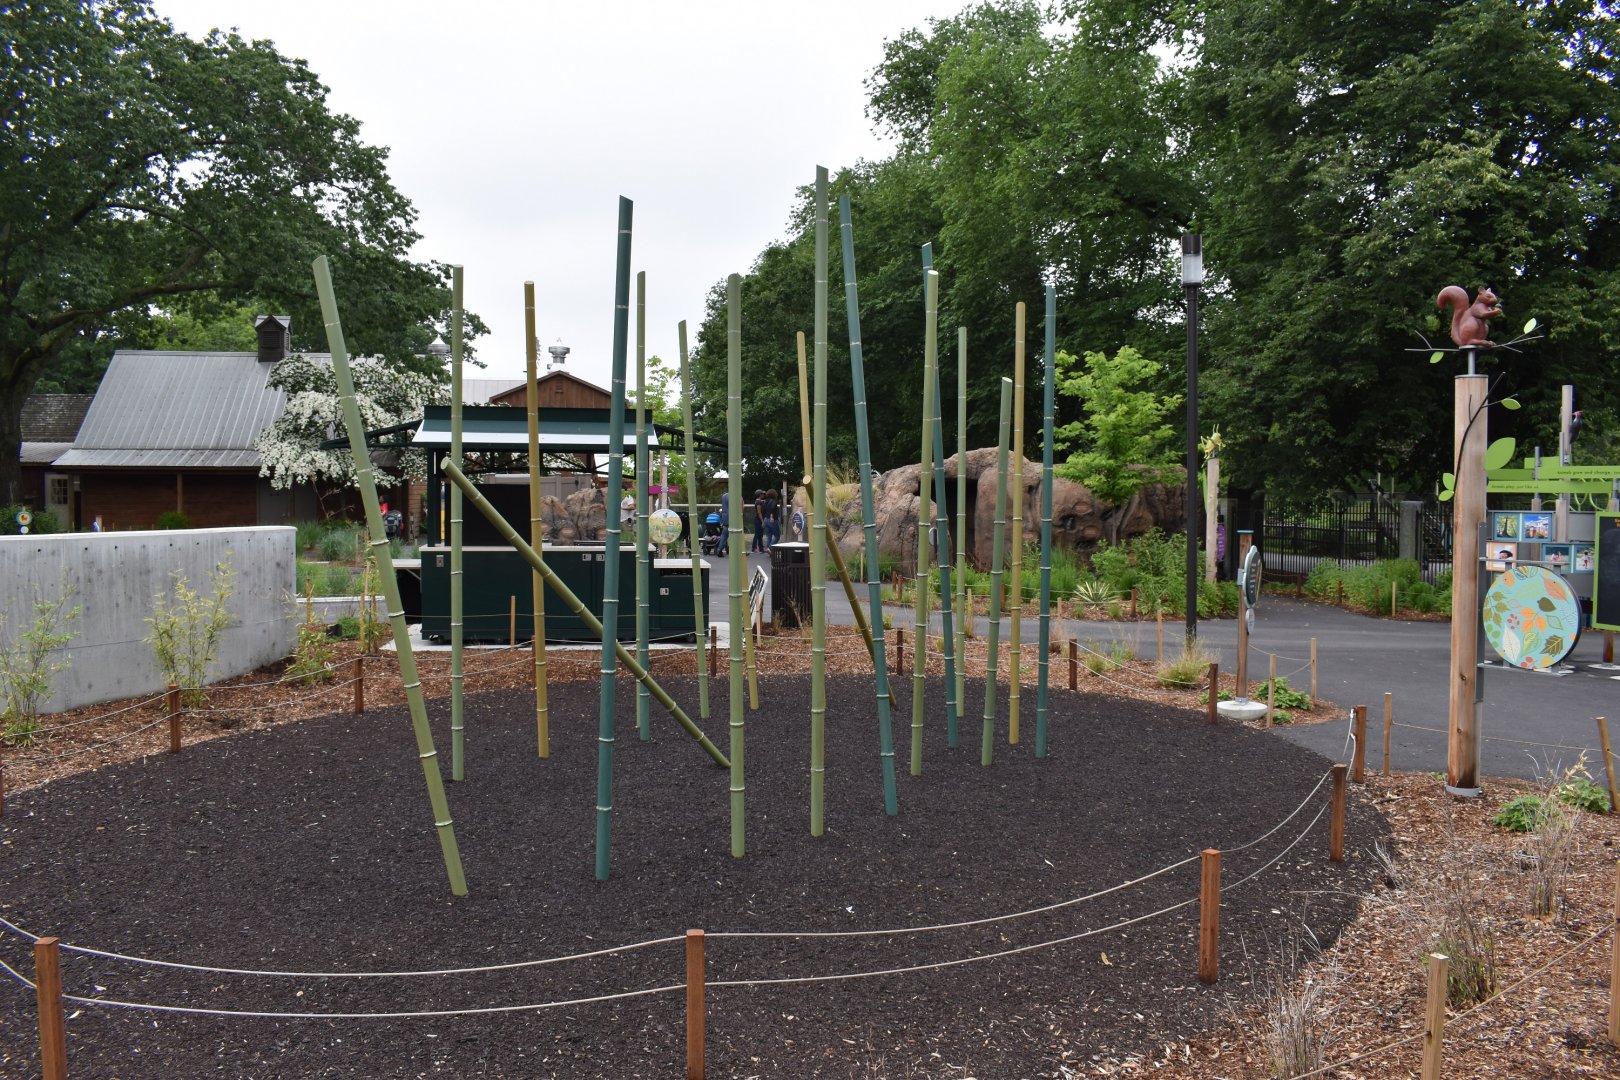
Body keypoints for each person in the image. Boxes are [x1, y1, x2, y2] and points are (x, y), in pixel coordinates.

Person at [752, 489, 768, 553]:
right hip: (758, 520)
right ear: (759, 495)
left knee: (760, 535)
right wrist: (762, 521)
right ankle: (754, 548)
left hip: (759, 520)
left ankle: (761, 548)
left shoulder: (759, 501)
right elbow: (759, 512)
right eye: (762, 494)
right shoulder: (758, 502)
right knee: (757, 534)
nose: (763, 495)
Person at [716, 491, 729, 556]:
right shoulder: (733, 496)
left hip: (725, 518)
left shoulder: (723, 496)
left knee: (724, 535)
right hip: (731, 518)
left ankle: (719, 549)